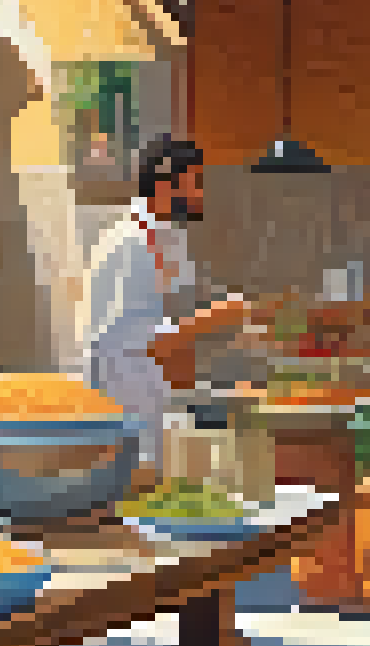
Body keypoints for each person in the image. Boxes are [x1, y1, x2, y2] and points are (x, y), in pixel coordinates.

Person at [83, 136, 275, 473]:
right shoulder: (130, 244)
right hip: (127, 405)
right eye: (195, 183)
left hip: (156, 400)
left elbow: (180, 313)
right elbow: (143, 339)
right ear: (162, 184)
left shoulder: (166, 237)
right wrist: (221, 317)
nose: (201, 195)